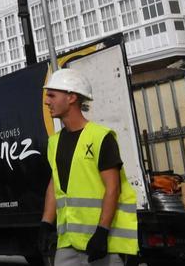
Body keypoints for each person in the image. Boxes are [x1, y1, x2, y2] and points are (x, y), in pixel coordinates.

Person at [39, 68, 138, 265]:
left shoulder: (101, 137)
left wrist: (101, 232)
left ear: (71, 97)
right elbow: (54, 183)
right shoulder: (54, 142)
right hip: (68, 244)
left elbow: (113, 188)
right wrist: (46, 223)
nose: (47, 101)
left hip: (101, 243)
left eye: (52, 95)